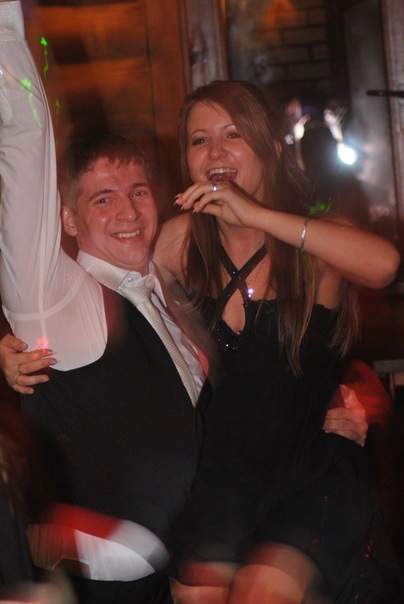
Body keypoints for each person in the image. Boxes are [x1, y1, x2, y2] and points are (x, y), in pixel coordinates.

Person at [151, 80, 404, 602]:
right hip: (218, 482)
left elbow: (384, 265)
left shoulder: (313, 238)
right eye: (199, 140)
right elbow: (102, 296)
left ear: (269, 146)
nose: (215, 153)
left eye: (233, 134)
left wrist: (257, 215)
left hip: (307, 473)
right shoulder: (179, 242)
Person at [0, 3, 208, 603]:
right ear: (68, 219)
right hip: (101, 584)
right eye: (103, 199)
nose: (127, 210)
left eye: (138, 191)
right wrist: (8, 27)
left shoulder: (165, 293)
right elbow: (25, 140)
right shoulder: (55, 299)